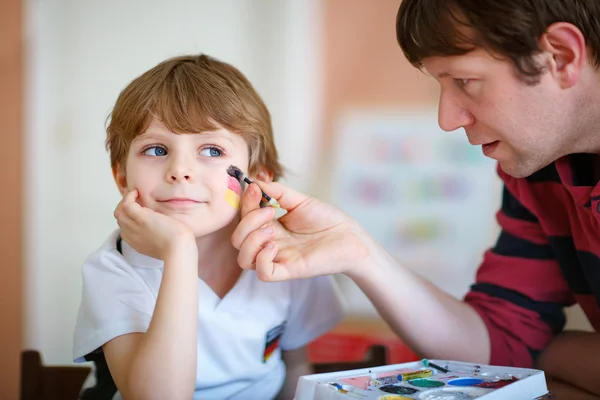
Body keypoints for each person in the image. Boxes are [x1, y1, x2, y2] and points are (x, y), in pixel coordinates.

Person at [232, 0, 600, 395]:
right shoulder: (539, 175)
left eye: (464, 81)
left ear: (560, 56)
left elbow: (525, 356)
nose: (447, 119)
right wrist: (360, 253)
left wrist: (551, 354)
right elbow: (502, 348)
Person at [72, 54, 344, 400]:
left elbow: (295, 369)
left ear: (257, 177)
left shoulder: (285, 257)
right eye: (156, 149)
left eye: (212, 150)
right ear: (122, 177)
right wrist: (179, 253)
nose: (180, 170)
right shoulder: (113, 270)